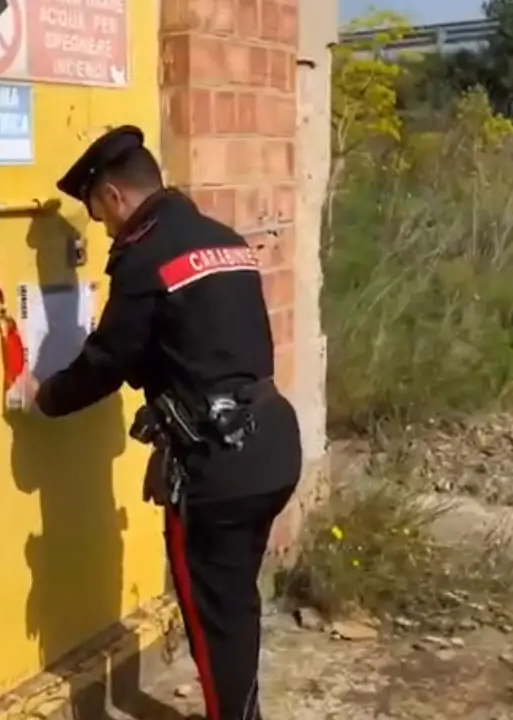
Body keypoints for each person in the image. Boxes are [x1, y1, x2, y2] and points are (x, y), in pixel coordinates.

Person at [20, 125, 302, 720]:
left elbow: (108, 361)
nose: (100, 228)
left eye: (98, 212)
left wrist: (42, 397)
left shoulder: (146, 257)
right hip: (272, 440)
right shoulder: (220, 238)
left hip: (218, 466)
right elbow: (198, 343)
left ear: (116, 197)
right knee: (234, 605)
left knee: (211, 616)